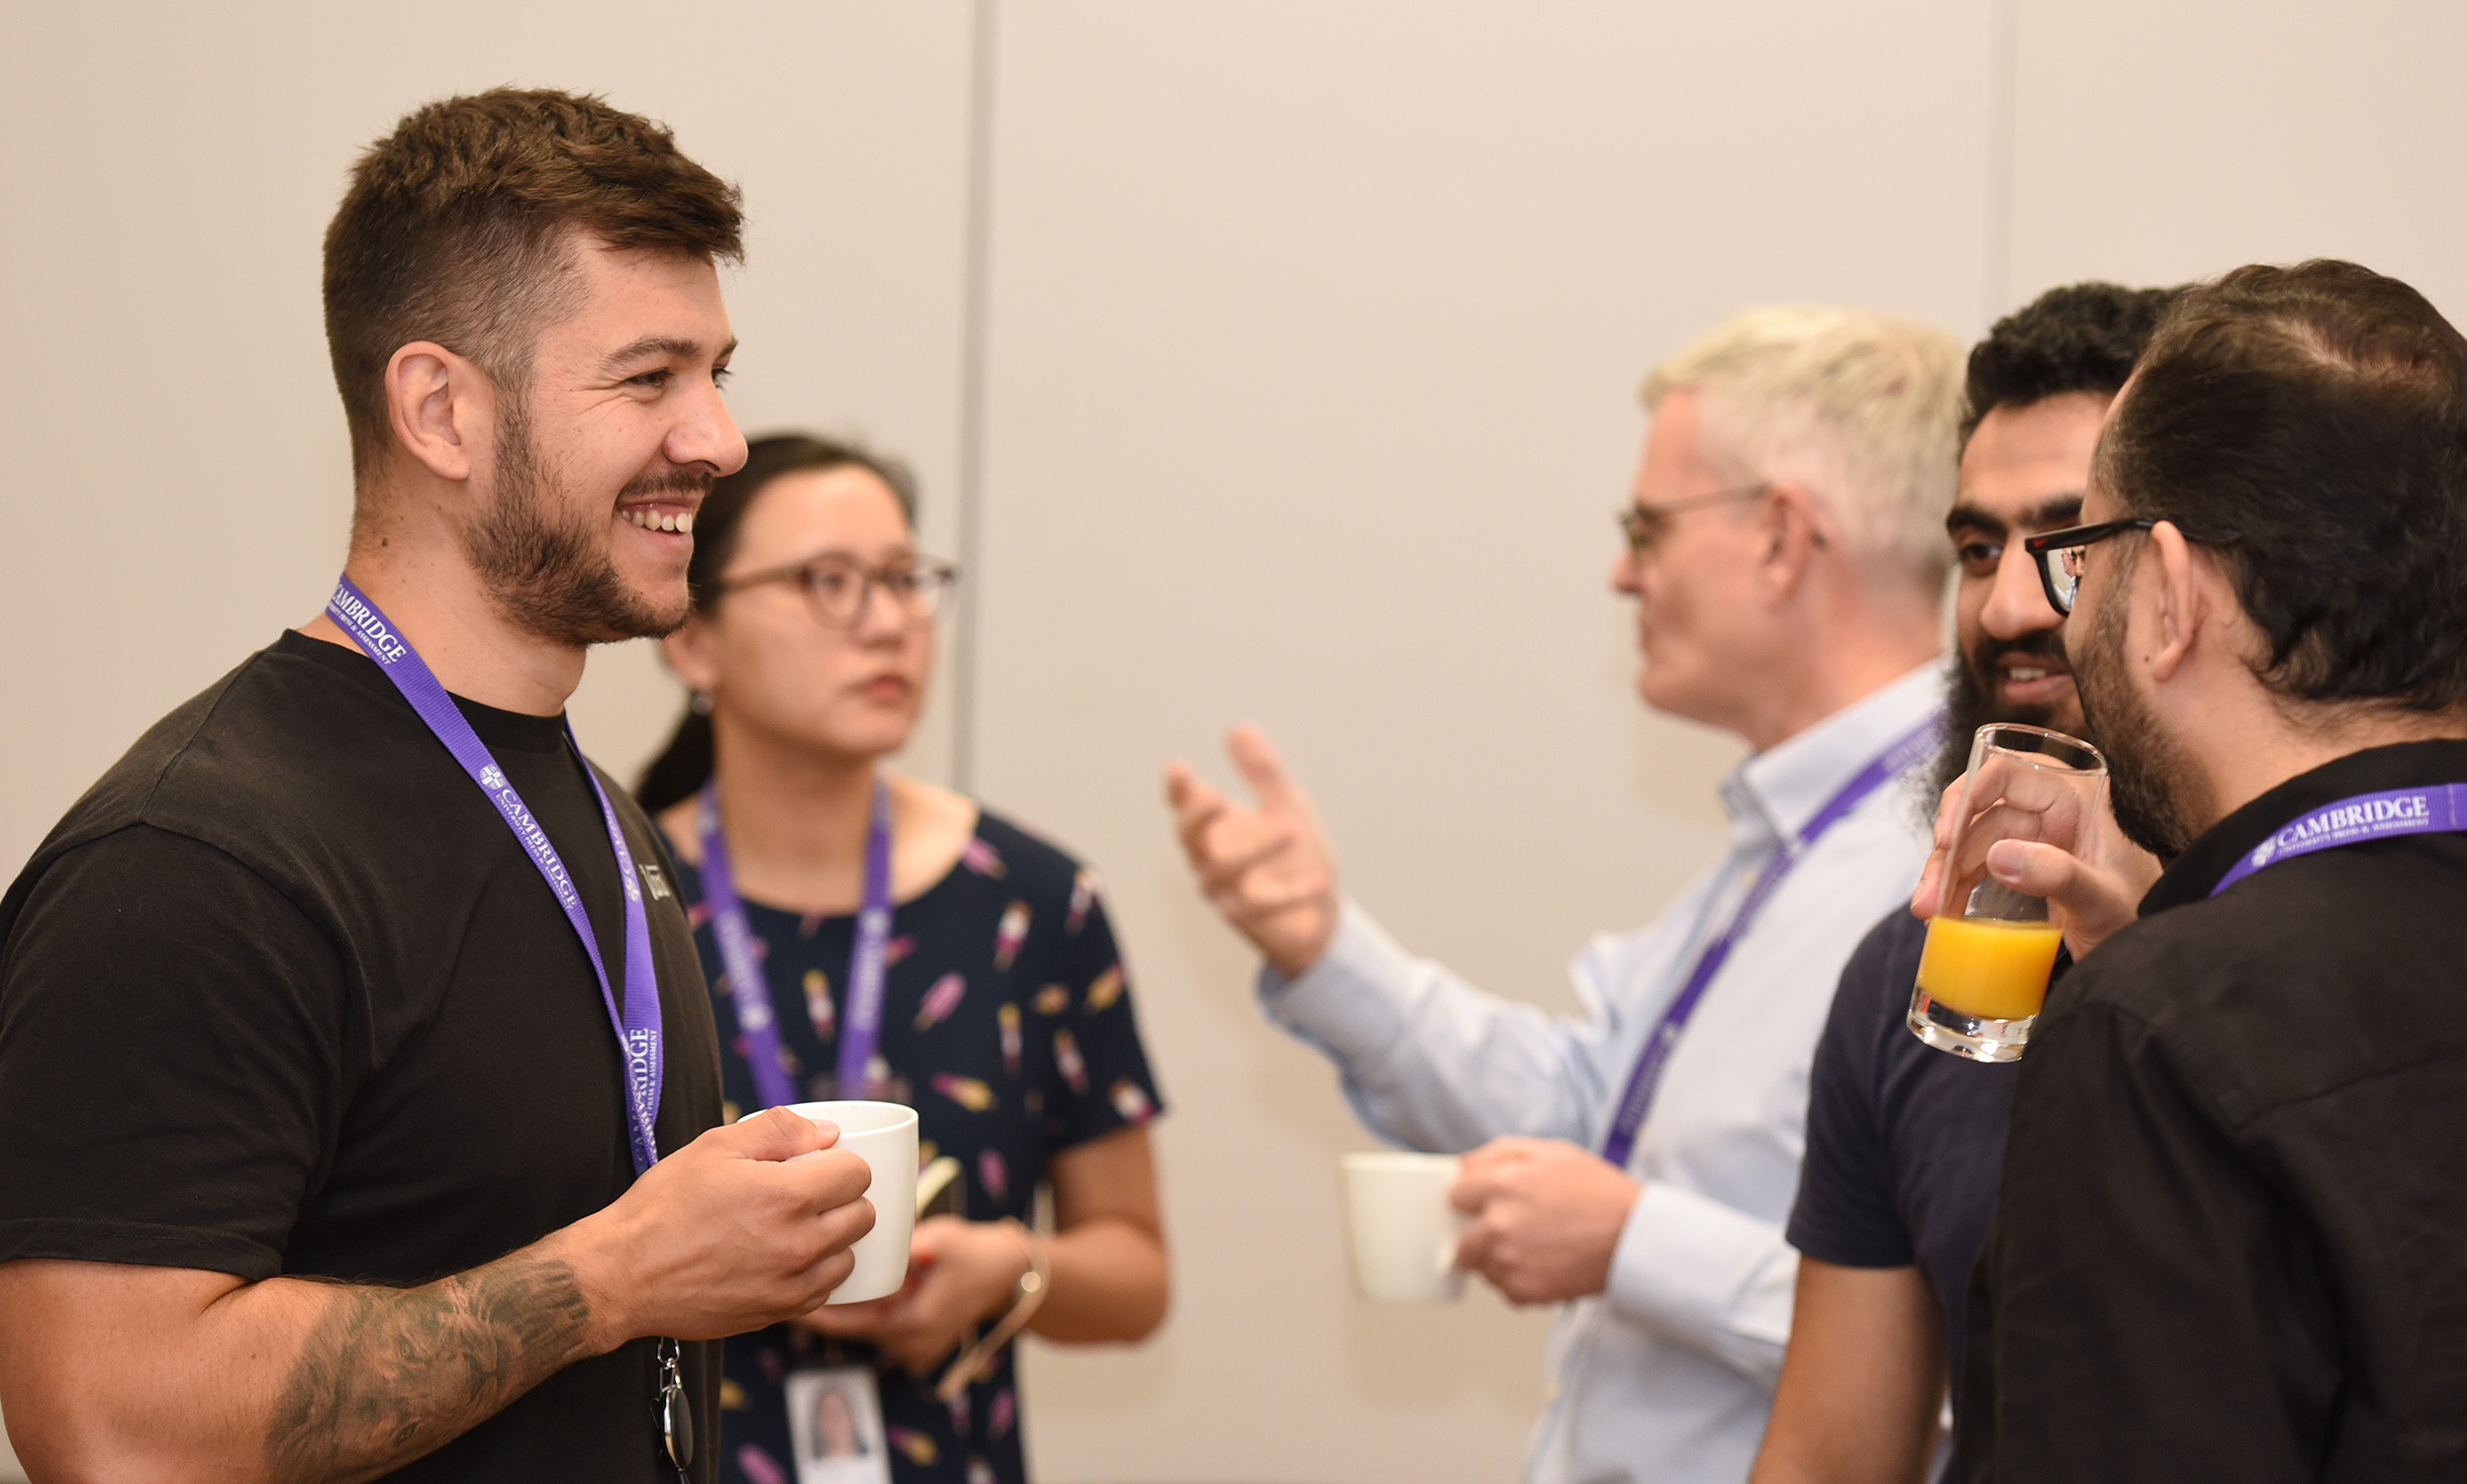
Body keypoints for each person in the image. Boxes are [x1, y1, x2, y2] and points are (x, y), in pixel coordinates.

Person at [0, 90, 879, 1483]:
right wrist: (612, 1280)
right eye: (648, 379)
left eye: (717, 372)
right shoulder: (196, 858)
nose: (717, 440)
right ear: (439, 409)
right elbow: (106, 1420)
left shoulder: (602, 816)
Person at [1168, 306, 1963, 1483]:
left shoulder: (1958, 867)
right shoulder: (1783, 843)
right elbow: (1587, 1116)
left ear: (1782, 539)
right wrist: (1326, 950)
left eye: (1648, 526)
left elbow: (1949, 1350)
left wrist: (1633, 1244)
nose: (1620, 571)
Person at [1954, 259, 2467, 1481]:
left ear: (2171, 592)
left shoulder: (2158, 1032)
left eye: (2078, 560)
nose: (2056, 620)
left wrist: (2168, 987)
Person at [637, 434, 1169, 1484]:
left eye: (905, 580)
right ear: (692, 639)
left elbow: (1137, 1275)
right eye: (827, 583)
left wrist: (1011, 1272)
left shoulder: (1034, 903)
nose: (888, 622)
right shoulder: (613, 901)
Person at [1750, 283, 2173, 1484]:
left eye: (2065, 543)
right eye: (1979, 549)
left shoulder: (2330, 944)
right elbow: (1833, 1458)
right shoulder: (1910, 969)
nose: (1999, 608)